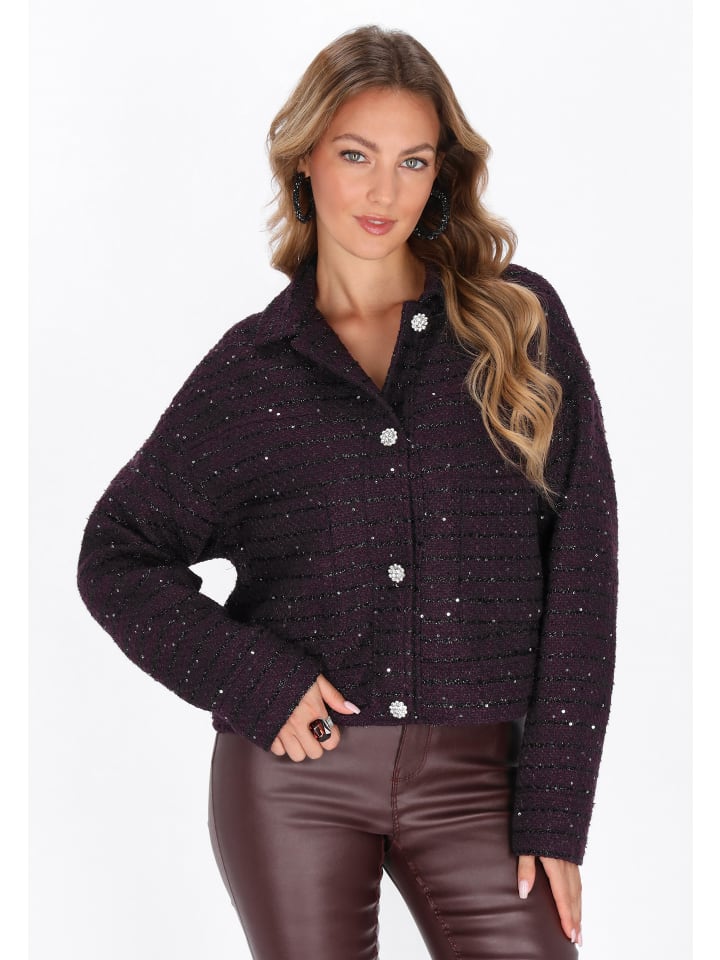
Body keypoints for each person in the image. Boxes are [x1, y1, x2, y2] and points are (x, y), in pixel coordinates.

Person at [76, 23, 617, 960]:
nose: (383, 193)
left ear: (442, 175)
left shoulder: (516, 325)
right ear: (306, 161)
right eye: (356, 155)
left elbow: (583, 565)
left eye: (413, 162)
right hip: (295, 779)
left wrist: (557, 808)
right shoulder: (252, 372)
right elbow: (116, 555)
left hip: (481, 784)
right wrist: (254, 679)